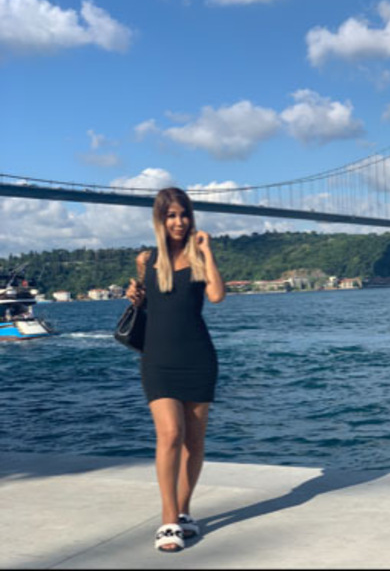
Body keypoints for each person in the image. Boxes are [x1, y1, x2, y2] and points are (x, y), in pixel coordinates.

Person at [126, 187, 225, 553]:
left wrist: (207, 251)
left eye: (184, 214)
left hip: (198, 358)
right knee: (170, 434)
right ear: (160, 219)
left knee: (193, 441)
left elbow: (216, 295)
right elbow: (151, 304)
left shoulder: (199, 257)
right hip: (158, 359)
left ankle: (184, 512)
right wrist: (136, 297)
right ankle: (168, 519)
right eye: (171, 215)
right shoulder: (146, 259)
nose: (179, 221)